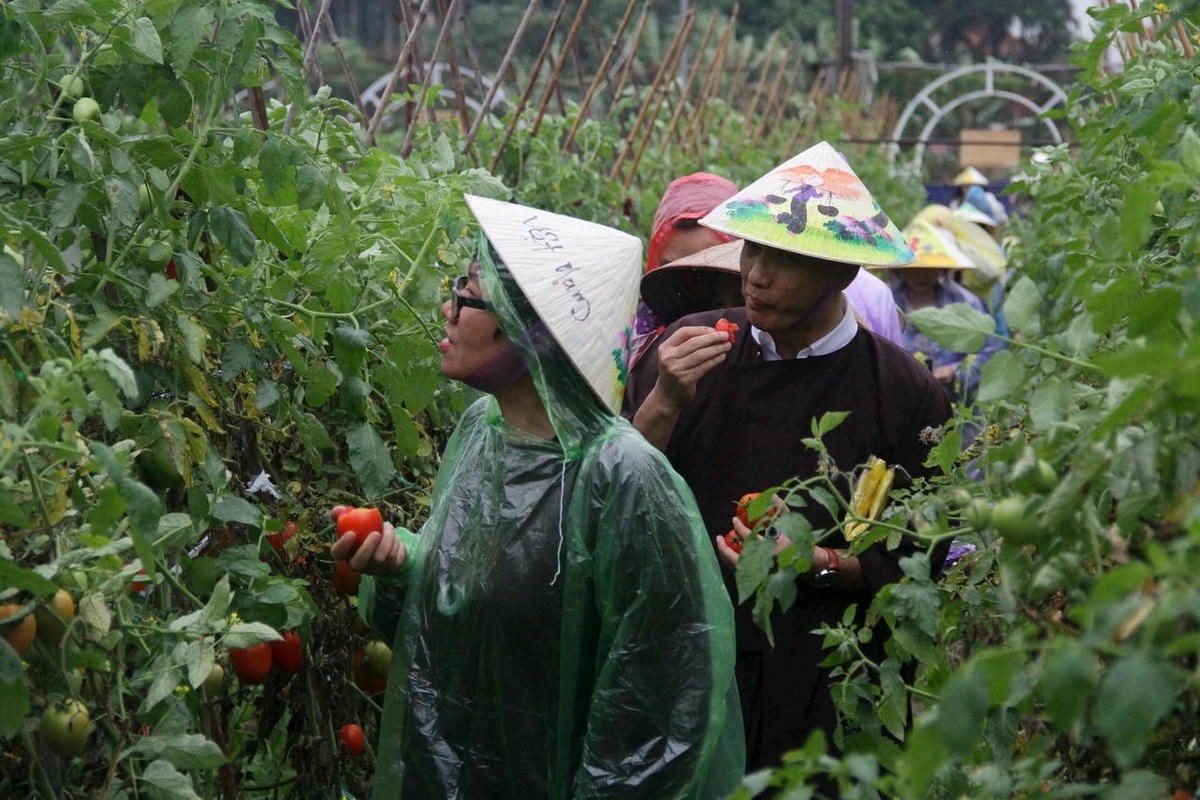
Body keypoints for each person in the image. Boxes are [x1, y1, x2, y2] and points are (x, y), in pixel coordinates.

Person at [333, 195, 743, 799]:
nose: (446, 309)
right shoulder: (481, 433)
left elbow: (663, 702)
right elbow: (462, 621)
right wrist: (403, 566)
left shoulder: (622, 478)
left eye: (467, 293)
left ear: (527, 329)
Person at [626, 142, 953, 771]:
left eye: (785, 259)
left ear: (843, 272)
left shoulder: (899, 396)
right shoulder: (690, 352)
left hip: (822, 686)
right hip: (687, 660)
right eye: (752, 250)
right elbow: (616, 493)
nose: (756, 275)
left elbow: (916, 555)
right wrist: (664, 401)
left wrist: (820, 561)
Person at [883, 217, 1004, 405]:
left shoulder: (964, 302)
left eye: (929, 269)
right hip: (902, 401)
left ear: (943, 269)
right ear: (899, 269)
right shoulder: (886, 303)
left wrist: (955, 371)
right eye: (913, 269)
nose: (921, 276)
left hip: (958, 403)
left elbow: (990, 349)